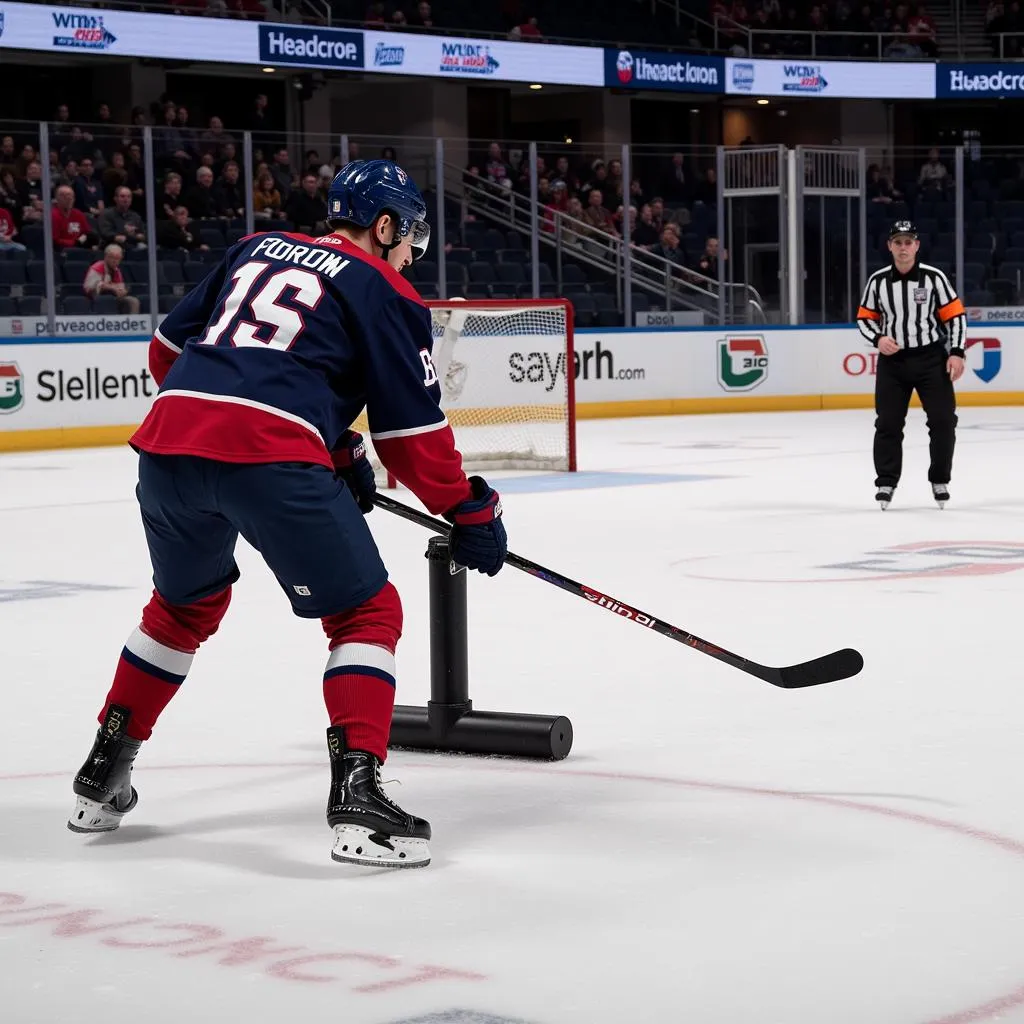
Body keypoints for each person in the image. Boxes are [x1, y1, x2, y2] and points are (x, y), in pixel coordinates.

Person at [67, 160, 507, 870]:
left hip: (168, 446)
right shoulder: (383, 287)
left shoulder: (253, 247)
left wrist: (329, 443)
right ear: (385, 225)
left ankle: (101, 774)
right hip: (270, 459)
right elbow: (413, 436)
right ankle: (360, 799)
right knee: (367, 614)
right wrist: (470, 509)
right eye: (406, 239)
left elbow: (167, 353)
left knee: (182, 608)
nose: (408, 257)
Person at [856, 220, 966, 509]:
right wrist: (878, 338)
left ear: (917, 246)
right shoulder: (877, 281)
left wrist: (956, 351)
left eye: (908, 242)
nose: (903, 247)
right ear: (889, 246)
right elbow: (864, 317)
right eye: (898, 242)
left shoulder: (934, 278)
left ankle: (939, 479)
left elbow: (955, 316)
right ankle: (886, 482)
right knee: (888, 423)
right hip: (893, 363)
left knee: (943, 421)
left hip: (931, 359)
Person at [83, 243, 140, 313]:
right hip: (97, 298)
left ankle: (132, 322)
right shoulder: (97, 267)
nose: (115, 261)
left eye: (118, 258)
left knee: (133, 301)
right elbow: (89, 287)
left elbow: (119, 284)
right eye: (112, 257)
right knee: (107, 299)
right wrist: (112, 287)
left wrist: (122, 290)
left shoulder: (116, 270)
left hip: (114, 297)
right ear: (106, 257)